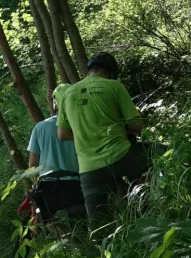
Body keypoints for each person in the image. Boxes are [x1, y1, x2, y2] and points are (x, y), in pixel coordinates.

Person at [56, 52, 146, 223]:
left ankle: (104, 246)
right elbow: (137, 126)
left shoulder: (68, 93)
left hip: (89, 169)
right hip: (122, 157)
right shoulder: (114, 86)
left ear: (89, 70)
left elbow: (62, 134)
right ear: (111, 72)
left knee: (99, 227)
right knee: (162, 155)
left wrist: (86, 131)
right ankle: (150, 209)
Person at [26, 83, 86, 223]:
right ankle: (79, 244)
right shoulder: (81, 124)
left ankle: (63, 240)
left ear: (55, 104)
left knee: (39, 224)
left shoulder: (40, 127)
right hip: (75, 185)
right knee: (81, 226)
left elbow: (32, 165)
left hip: (48, 186)